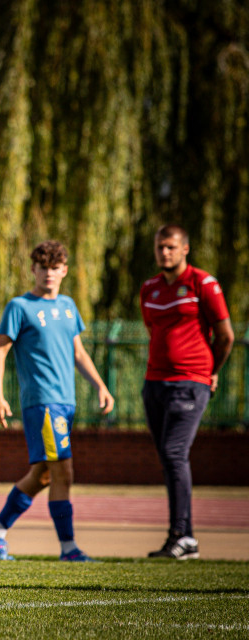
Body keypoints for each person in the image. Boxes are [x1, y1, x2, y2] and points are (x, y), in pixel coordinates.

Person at [0, 240, 115, 562]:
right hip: (42, 403)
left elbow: (78, 352)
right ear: (33, 270)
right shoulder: (20, 307)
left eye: (55, 268)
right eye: (43, 268)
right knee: (63, 472)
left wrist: (100, 386)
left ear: (65, 271)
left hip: (66, 403)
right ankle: (69, 548)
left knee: (43, 474)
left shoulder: (69, 306)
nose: (49, 274)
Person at [141, 224, 234, 560]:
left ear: (185, 249)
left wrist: (209, 372)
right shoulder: (149, 288)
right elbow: (153, 329)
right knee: (168, 458)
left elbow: (225, 336)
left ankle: (181, 535)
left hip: (190, 383)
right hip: (154, 383)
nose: (164, 252)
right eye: (159, 247)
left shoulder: (202, 283)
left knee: (174, 452)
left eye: (170, 247)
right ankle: (186, 539)